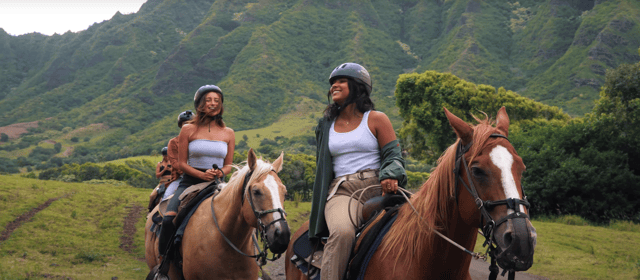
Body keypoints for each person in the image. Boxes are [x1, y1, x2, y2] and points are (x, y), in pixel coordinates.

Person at [308, 62, 407, 280]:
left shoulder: (377, 119)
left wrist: (391, 175)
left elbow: (393, 155)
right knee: (342, 233)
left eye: (341, 81)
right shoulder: (325, 125)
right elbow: (323, 168)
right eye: (333, 82)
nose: (335, 85)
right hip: (344, 192)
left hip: (379, 186)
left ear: (358, 86)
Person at [158, 84, 235, 264]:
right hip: (190, 182)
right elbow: (182, 163)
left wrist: (219, 172)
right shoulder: (188, 130)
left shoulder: (228, 133)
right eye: (208, 100)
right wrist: (201, 176)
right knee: (169, 219)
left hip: (218, 183)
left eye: (217, 100)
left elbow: (229, 165)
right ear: (199, 104)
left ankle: (254, 262)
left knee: (244, 215)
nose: (212, 104)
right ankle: (164, 264)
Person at [162, 110, 194, 201]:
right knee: (166, 197)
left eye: (191, 124)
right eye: (185, 124)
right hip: (182, 178)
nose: (188, 126)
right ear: (181, 125)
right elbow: (175, 163)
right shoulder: (173, 142)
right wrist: (190, 172)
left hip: (203, 175)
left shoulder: (199, 141)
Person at [148, 147, 171, 212]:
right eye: (166, 156)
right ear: (163, 156)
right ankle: (150, 209)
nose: (167, 157)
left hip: (171, 181)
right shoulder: (160, 164)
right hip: (162, 182)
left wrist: (170, 169)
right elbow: (157, 175)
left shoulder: (172, 163)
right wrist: (164, 170)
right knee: (152, 195)